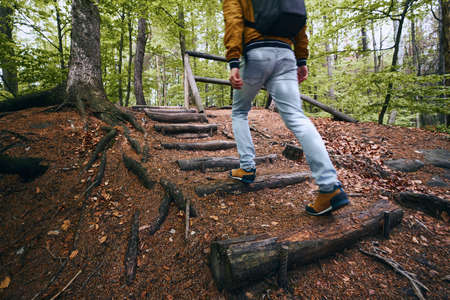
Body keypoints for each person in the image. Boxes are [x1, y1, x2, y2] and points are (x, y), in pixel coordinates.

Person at [223, 0, 349, 216]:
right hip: (285, 55)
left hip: (255, 54)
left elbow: (233, 20)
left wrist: (233, 60)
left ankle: (247, 167)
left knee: (240, 112)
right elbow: (300, 21)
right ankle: (329, 187)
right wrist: (302, 58)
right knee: (298, 118)